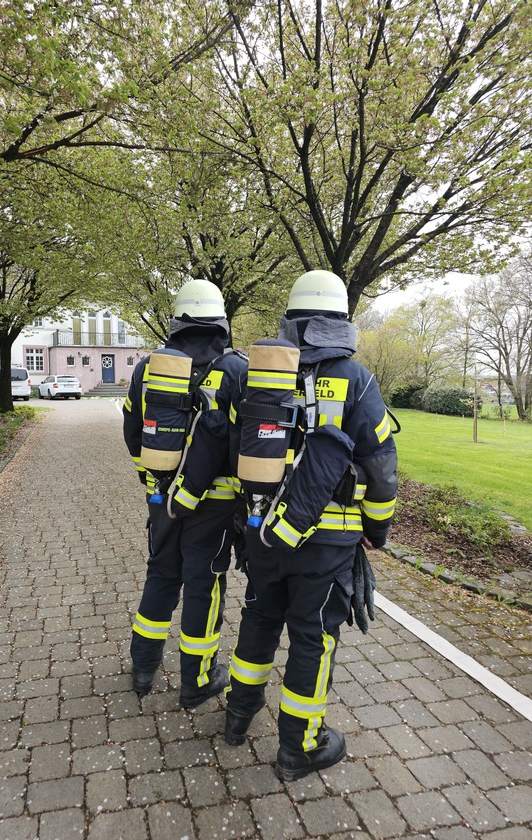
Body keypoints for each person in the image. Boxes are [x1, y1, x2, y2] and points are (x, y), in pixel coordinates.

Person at [224, 269, 398, 781]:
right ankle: (300, 746)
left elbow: (237, 447)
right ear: (342, 319)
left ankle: (238, 715)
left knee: (258, 617)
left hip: (262, 529)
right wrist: (378, 529)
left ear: (291, 318)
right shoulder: (358, 378)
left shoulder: (264, 373)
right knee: (312, 636)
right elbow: (382, 462)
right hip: (328, 542)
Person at [123, 279, 247, 709]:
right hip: (214, 504)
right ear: (220, 322)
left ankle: (143, 667)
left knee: (160, 574)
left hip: (162, 498)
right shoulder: (237, 370)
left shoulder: (148, 368)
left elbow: (132, 429)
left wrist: (153, 481)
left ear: (176, 321)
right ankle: (196, 679)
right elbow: (242, 444)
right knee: (204, 585)